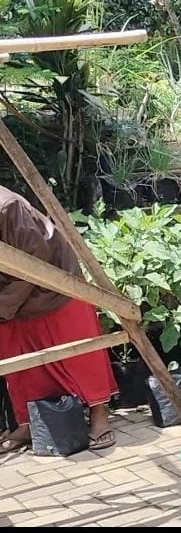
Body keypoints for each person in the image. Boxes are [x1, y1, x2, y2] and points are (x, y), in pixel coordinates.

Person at [0, 185, 117, 453]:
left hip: (53, 283)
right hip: (10, 290)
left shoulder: (6, 206)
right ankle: (29, 423)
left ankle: (99, 414)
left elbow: (32, 258)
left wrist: (3, 304)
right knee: (18, 361)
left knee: (80, 355)